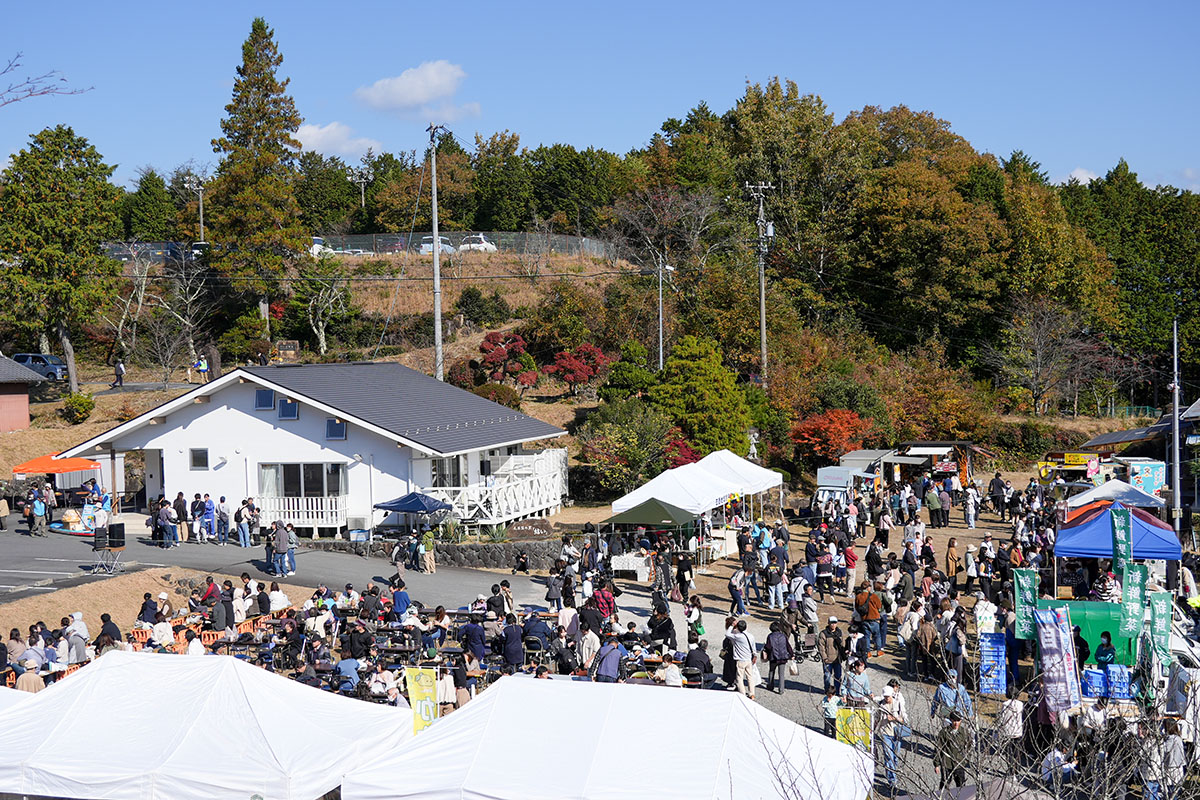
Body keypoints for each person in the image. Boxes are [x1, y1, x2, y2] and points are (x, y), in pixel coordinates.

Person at [935, 712, 971, 788]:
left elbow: (969, 746)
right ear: (951, 720)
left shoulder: (964, 732)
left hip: (959, 763)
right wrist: (936, 764)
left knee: (961, 786)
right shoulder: (944, 732)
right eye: (954, 721)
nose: (956, 723)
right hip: (947, 764)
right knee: (944, 785)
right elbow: (938, 748)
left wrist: (966, 759)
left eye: (958, 721)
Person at [725, 619, 758, 699]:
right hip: (748, 659)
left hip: (740, 660)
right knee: (750, 677)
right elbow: (753, 648)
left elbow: (727, 634)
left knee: (739, 678)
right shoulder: (751, 636)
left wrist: (732, 625)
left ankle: (742, 693)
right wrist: (755, 655)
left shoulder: (737, 637)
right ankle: (751, 693)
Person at [764, 621, 793, 694]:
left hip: (773, 657)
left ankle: (770, 686)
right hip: (783, 657)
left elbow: (768, 647)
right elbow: (788, 646)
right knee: (781, 674)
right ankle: (781, 690)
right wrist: (792, 654)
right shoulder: (783, 636)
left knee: (771, 671)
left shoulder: (770, 636)